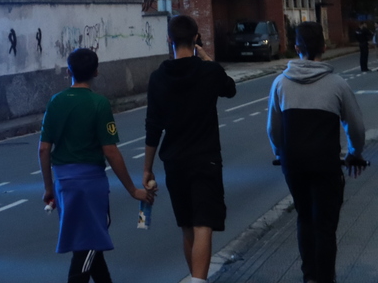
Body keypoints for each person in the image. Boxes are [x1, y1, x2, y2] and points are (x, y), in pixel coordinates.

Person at [40, 47, 153, 283]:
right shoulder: (99, 103)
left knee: (88, 241)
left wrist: (49, 188)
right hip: (90, 184)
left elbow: (43, 149)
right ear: (96, 72)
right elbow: (110, 151)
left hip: (63, 184)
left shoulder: (55, 102)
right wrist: (133, 190)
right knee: (89, 243)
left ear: (68, 71)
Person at [268, 21, 367, 283]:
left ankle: (309, 276)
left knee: (304, 217)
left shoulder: (280, 83)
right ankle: (325, 277)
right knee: (325, 224)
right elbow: (355, 126)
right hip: (325, 163)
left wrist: (279, 152)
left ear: (296, 47)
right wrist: (355, 153)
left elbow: (273, 129)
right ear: (323, 47)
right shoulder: (337, 84)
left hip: (294, 164)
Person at [143, 15, 236, 283]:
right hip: (206, 159)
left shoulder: (158, 78)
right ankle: (198, 280)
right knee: (203, 223)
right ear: (196, 38)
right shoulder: (209, 72)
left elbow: (153, 127)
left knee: (186, 225)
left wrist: (147, 168)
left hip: (175, 161)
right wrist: (206, 58)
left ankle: (195, 278)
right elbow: (230, 89)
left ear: (169, 40)